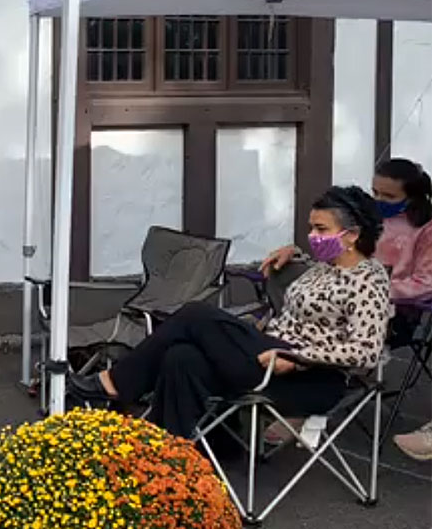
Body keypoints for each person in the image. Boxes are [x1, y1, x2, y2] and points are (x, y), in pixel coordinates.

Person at [68, 186, 392, 440]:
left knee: (196, 314)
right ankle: (171, 457)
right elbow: (312, 291)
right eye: (311, 228)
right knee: (181, 357)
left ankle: (116, 382)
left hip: (306, 376)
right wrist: (293, 252)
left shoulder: (369, 281)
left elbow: (366, 351)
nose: (313, 237)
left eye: (321, 229)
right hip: (268, 354)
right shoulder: (322, 268)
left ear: (352, 234)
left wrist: (299, 358)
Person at [263, 159, 432, 456]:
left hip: (391, 313)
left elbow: (425, 281)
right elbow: (339, 258)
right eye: (375, 193)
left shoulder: (425, 230)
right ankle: (298, 392)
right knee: (289, 281)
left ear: (414, 196)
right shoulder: (366, 221)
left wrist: (369, 289)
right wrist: (298, 253)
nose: (378, 201)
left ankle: (305, 400)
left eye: (389, 197)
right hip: (338, 302)